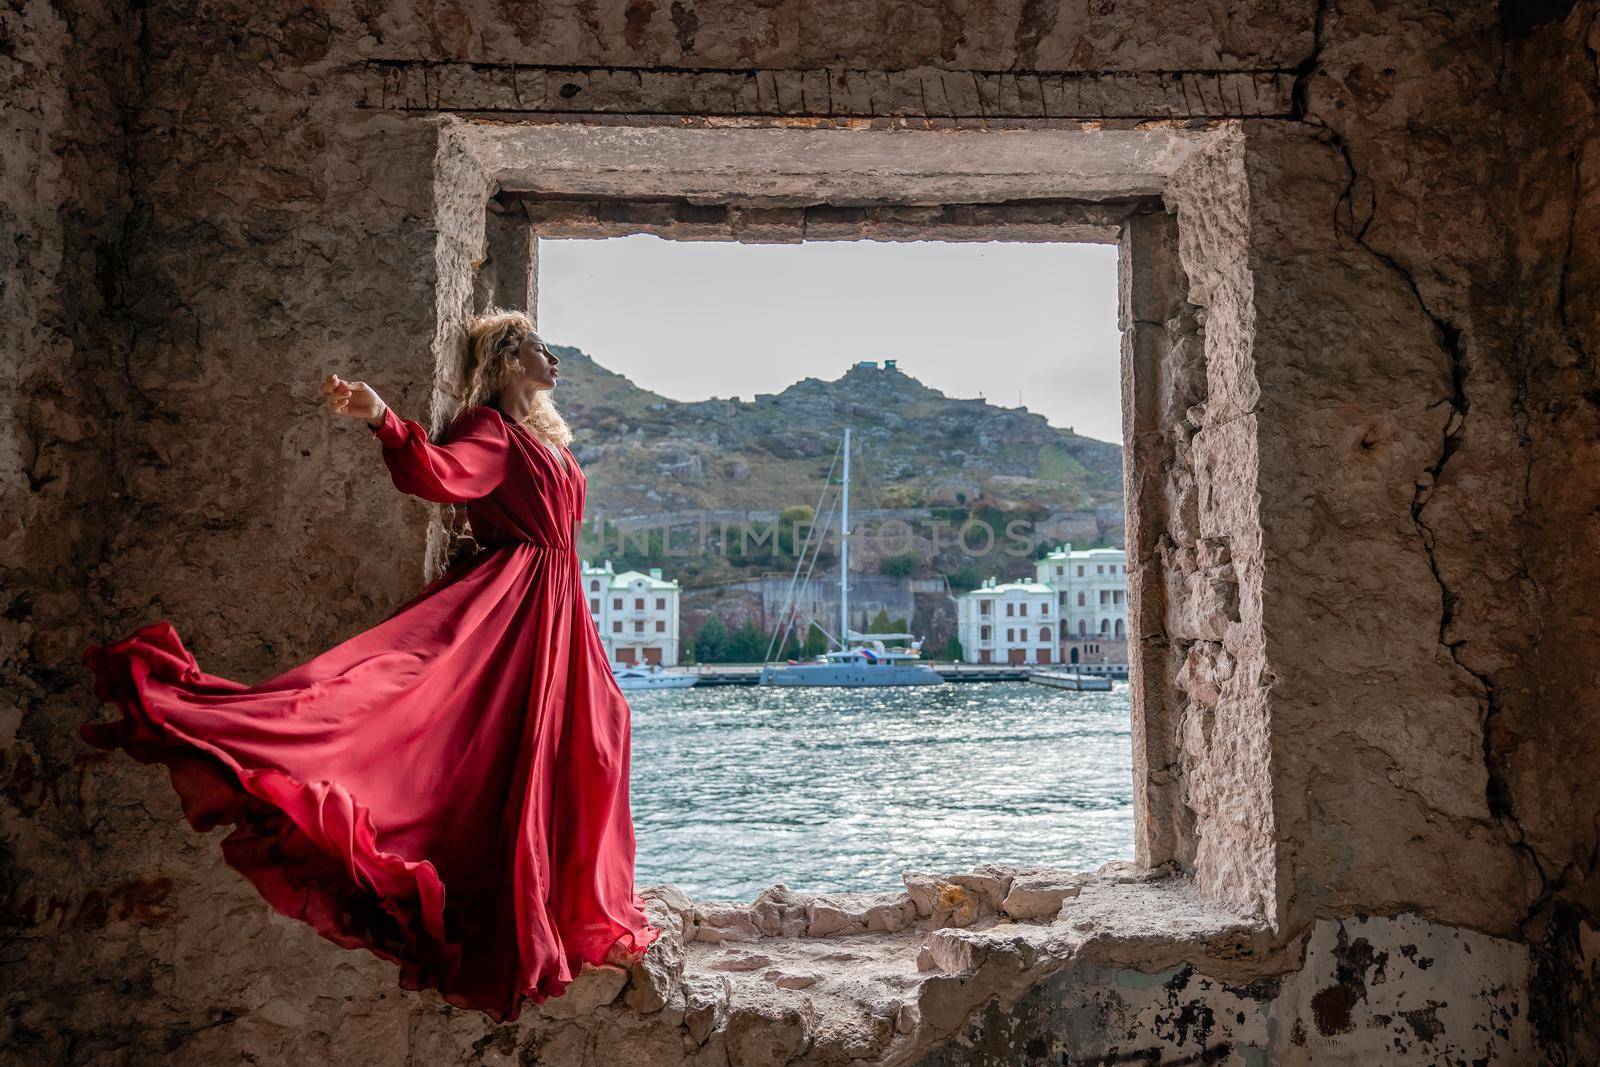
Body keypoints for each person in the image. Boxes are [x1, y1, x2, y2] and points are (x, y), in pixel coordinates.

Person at [80, 307, 659, 1022]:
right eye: (542, 348)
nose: (556, 360)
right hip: (517, 605)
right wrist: (381, 415)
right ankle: (225, 727)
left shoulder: (543, 438)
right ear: (509, 359)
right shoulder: (491, 431)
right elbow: (440, 476)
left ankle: (573, 911)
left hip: (560, 606)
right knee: (420, 720)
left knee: (597, 740)